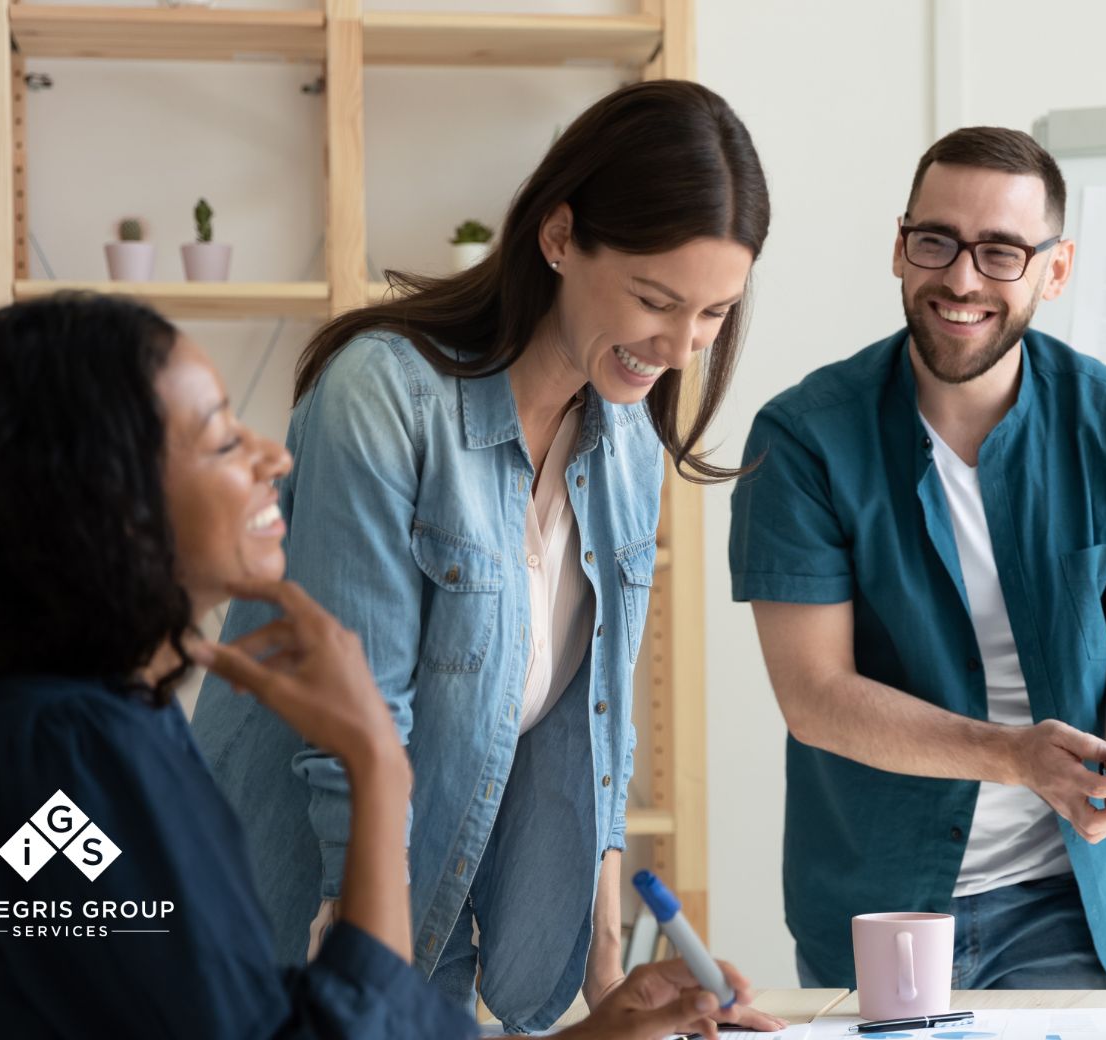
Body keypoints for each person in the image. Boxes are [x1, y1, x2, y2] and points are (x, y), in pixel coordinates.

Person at [0, 293, 758, 1039]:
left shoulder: (111, 729)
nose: (272, 458)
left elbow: (261, 1022)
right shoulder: (45, 782)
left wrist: (599, 1036)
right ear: (103, 506)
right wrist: (374, 768)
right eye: (220, 440)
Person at [189, 80, 779, 1031]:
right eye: (653, 300)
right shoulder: (385, 399)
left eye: (713, 314)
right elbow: (356, 723)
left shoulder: (625, 438)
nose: (678, 347)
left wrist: (605, 966)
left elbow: (599, 723)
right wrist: (361, 976)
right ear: (557, 237)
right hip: (296, 918)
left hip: (437, 916)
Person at [729, 126, 1106, 991]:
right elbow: (815, 698)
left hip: (1070, 895)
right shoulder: (803, 437)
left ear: (1053, 272)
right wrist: (1015, 756)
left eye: (1000, 252)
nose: (960, 278)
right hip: (875, 902)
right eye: (935, 242)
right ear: (898, 247)